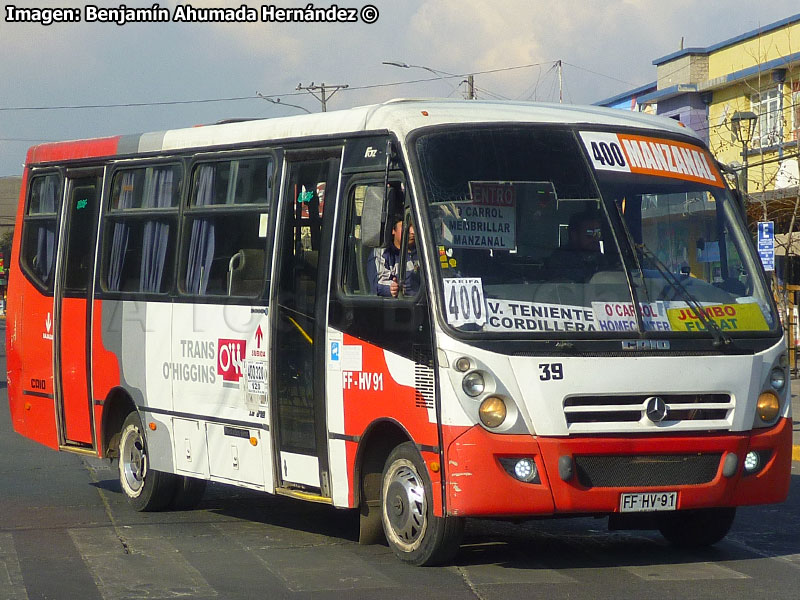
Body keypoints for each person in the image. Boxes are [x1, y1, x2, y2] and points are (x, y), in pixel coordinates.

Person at [546, 209, 605, 280]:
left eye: (598, 233)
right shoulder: (561, 260)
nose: (596, 238)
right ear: (574, 235)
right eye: (590, 233)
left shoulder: (601, 259)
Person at [374, 215, 420, 297]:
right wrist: (391, 289)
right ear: (393, 230)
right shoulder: (383, 253)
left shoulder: (423, 251)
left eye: (415, 227)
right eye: (406, 226)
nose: (412, 232)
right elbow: (376, 286)